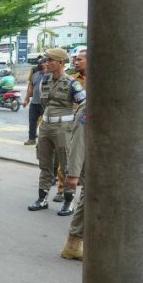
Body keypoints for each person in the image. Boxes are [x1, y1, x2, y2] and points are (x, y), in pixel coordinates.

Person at [27, 48, 85, 213]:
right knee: (44, 163)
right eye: (46, 60)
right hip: (46, 126)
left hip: (63, 129)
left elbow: (84, 104)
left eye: (50, 60)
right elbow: (44, 104)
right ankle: (42, 198)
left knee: (66, 165)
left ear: (60, 63)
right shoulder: (45, 80)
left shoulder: (72, 83)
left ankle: (68, 201)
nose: (47, 63)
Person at [61, 51, 88, 259]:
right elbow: (79, 139)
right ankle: (74, 242)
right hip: (93, 163)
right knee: (90, 199)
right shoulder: (91, 104)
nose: (76, 62)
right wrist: (73, 172)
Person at [22, 59, 47, 145]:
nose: (39, 64)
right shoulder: (35, 75)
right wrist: (26, 99)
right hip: (34, 103)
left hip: (45, 104)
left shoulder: (50, 75)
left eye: (42, 62)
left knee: (45, 123)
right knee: (32, 121)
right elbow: (30, 87)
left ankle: (44, 142)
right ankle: (31, 139)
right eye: (39, 63)